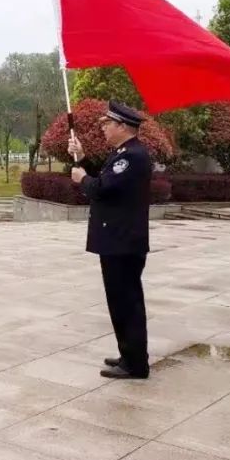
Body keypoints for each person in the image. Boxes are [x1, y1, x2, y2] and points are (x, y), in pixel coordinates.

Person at [70, 100, 153, 380]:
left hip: (122, 241)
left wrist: (82, 179)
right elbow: (107, 179)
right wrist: (81, 159)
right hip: (119, 240)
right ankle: (129, 354)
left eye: (107, 124)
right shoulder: (124, 154)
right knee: (121, 300)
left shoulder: (132, 156)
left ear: (122, 126)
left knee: (126, 301)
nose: (103, 128)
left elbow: (101, 188)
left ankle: (136, 364)